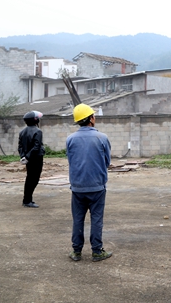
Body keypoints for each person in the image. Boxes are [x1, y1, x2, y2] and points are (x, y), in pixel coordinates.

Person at [66, 103, 113, 262]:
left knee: (78, 219)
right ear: (91, 119)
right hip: (97, 187)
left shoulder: (70, 139)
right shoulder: (102, 138)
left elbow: (71, 160)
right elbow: (107, 161)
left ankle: (76, 252)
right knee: (97, 219)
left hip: (77, 187)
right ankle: (97, 251)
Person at [18, 111, 45, 208]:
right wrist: (28, 156)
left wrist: (23, 157)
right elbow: (36, 146)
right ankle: (27, 200)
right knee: (34, 179)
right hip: (36, 158)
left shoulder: (22, 132)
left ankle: (27, 199)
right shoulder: (38, 131)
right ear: (35, 120)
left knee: (29, 178)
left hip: (28, 159)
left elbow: (20, 146)